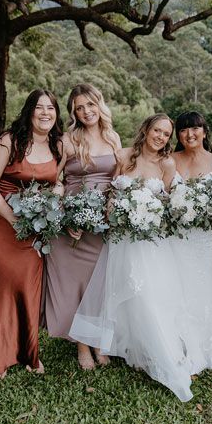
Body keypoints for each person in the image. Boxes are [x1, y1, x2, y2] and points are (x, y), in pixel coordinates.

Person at [70, 114, 195, 401]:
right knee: (117, 291)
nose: (161, 137)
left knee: (148, 294)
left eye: (166, 133)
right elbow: (112, 191)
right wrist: (116, 207)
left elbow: (167, 203)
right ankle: (115, 345)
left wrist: (149, 213)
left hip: (149, 241)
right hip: (121, 238)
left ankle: (152, 349)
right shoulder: (124, 156)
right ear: (146, 130)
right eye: (157, 131)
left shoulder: (166, 163)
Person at [0, 89, 63, 378]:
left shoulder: (59, 145)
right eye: (39, 108)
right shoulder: (9, 141)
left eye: (51, 108)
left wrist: (50, 204)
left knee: (27, 286)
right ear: (29, 111)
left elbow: (59, 182)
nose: (45, 113)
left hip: (33, 227)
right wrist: (14, 218)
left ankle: (27, 353)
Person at [44, 83, 120, 370]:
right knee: (75, 285)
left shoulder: (113, 137)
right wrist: (64, 215)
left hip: (102, 223)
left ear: (99, 105)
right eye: (79, 107)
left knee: (99, 284)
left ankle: (99, 341)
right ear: (74, 112)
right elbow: (57, 180)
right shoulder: (67, 140)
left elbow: (117, 179)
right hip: (72, 223)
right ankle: (82, 346)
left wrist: (113, 206)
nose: (87, 111)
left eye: (90, 104)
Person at [171, 111, 212, 373]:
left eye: (195, 129)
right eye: (184, 130)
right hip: (178, 238)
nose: (190, 135)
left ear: (204, 131)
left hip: (209, 238)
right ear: (178, 135)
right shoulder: (169, 161)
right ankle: (179, 342)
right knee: (180, 285)